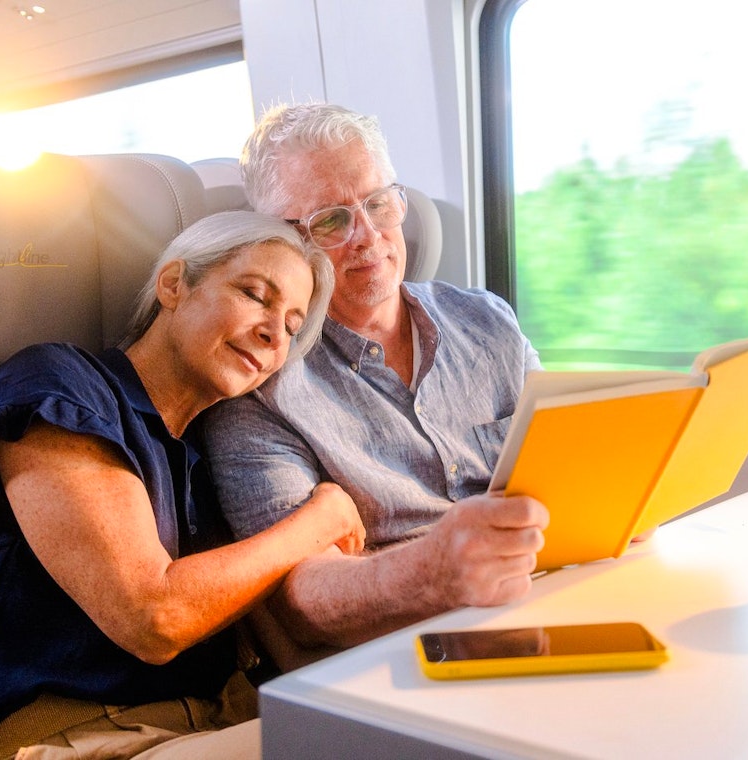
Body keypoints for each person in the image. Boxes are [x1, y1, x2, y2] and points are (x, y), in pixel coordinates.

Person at [0, 210, 365, 760]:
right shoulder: (55, 386)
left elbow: (282, 647)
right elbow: (153, 617)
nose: (275, 333)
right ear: (174, 284)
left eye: (293, 326)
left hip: (210, 727)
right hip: (61, 742)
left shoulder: (200, 460)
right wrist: (319, 520)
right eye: (254, 294)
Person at [201, 103, 548, 659]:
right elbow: (297, 597)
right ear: (284, 240)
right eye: (332, 220)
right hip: (408, 652)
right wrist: (431, 574)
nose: (367, 235)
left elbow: (563, 464)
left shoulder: (488, 320)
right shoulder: (261, 386)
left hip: (554, 594)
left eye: (379, 203)